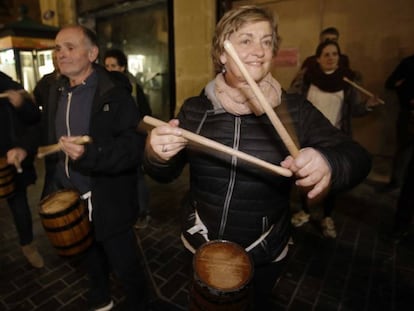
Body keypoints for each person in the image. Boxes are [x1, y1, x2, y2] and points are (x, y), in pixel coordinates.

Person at [143, 5, 372, 309]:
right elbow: (165, 174)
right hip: (200, 240)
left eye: (266, 41)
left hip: (263, 249)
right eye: (246, 40)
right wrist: (156, 153)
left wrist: (329, 163)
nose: (259, 50)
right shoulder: (194, 109)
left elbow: (358, 156)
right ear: (222, 53)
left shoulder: (295, 111)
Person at [38, 25, 148, 311]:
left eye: (70, 47)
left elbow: (132, 148)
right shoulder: (55, 89)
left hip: (109, 198)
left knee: (124, 263)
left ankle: (139, 302)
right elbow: (44, 132)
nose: (61, 54)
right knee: (89, 256)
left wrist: (90, 154)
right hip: (70, 196)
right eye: (58, 48)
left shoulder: (115, 93)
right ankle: (101, 297)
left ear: (92, 53)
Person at [289, 40, 381, 238]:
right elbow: (293, 104)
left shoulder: (347, 82)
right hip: (308, 138)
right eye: (326, 54)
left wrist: (368, 105)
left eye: (335, 54)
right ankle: (305, 211)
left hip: (335, 140)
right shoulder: (307, 79)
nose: (331, 58)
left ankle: (327, 217)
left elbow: (354, 109)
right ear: (318, 58)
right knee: (305, 178)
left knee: (331, 180)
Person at [103, 48, 151, 228]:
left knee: (138, 177)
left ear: (122, 67)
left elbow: (145, 113)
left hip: (134, 137)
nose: (109, 69)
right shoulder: (105, 85)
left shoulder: (132, 85)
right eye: (106, 65)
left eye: (113, 65)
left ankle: (143, 212)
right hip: (115, 141)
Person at [0, 71, 44, 268]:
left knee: (19, 204)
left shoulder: (8, 84)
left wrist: (21, 105)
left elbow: (35, 117)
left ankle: (28, 245)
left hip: (12, 157)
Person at [381, 54, 414, 193]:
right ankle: (396, 181)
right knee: (404, 150)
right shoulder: (409, 63)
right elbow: (390, 83)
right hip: (409, 113)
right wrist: (406, 93)